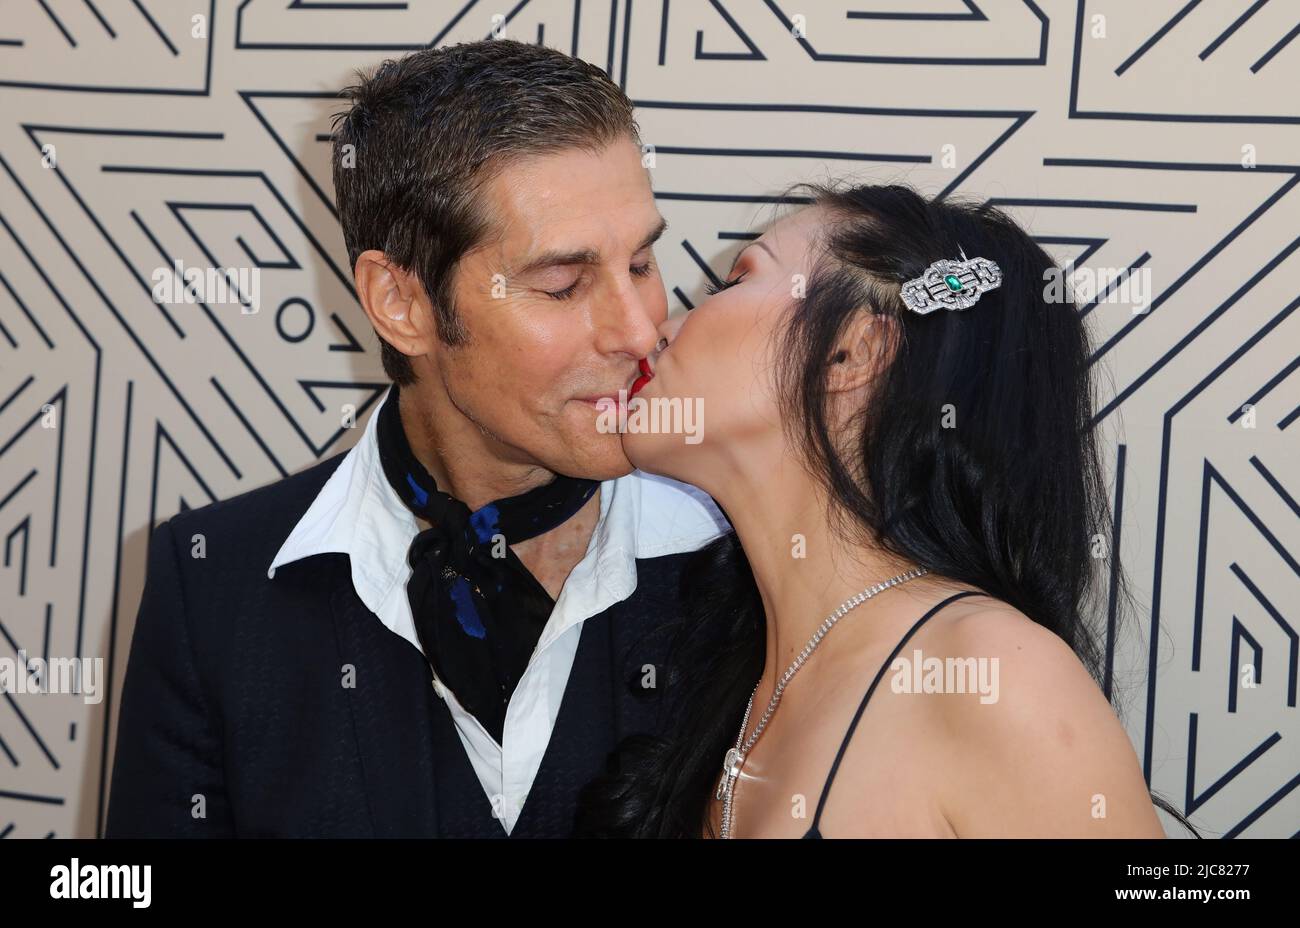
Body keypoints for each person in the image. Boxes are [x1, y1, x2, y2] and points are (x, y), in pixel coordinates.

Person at [104, 39, 726, 838]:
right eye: (564, 285)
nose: (642, 332)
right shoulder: (211, 585)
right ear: (400, 302)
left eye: (641, 262)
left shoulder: (744, 560)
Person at [575, 182, 1197, 838]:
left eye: (734, 281)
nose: (657, 330)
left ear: (852, 351)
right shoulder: (729, 683)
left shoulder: (989, 676)